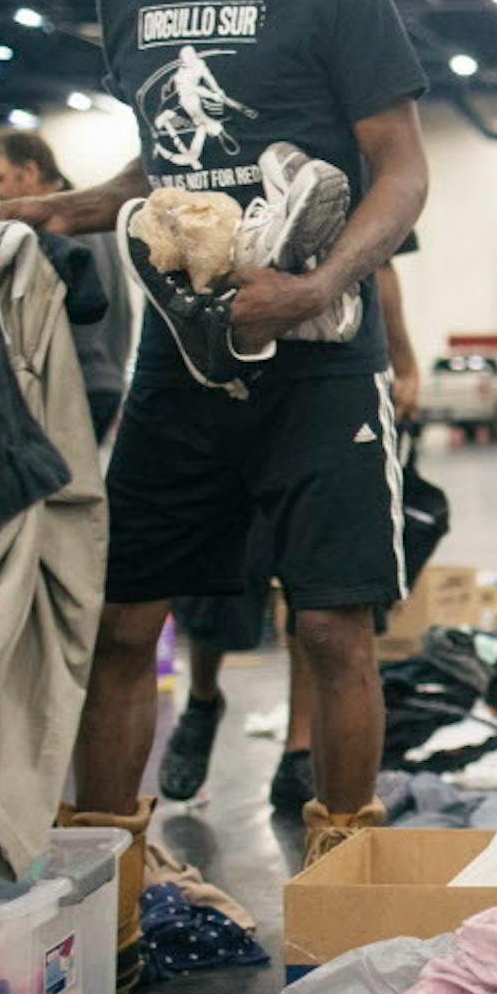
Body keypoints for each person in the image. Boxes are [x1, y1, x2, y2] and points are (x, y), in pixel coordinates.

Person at [0, 0, 429, 988]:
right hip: (179, 367)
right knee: (124, 625)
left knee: (336, 626)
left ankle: (347, 911)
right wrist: (74, 207)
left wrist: (317, 281)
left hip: (317, 362)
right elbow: (167, 155)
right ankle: (108, 906)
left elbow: (398, 167)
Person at [161, 246, 422, 812]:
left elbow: (383, 267)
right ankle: (203, 701)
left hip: (324, 380)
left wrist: (404, 364)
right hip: (217, 378)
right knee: (216, 575)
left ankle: (298, 749)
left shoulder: (361, 169)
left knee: (317, 596)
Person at [0, 130, 135, 441]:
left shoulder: (50, 235)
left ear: (28, 172)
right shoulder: (96, 223)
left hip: (73, 388)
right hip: (107, 380)